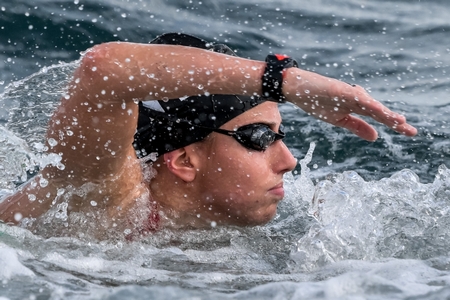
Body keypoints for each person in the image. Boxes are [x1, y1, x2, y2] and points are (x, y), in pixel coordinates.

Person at [0, 33, 417, 239]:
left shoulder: (216, 227)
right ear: (183, 160)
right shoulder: (100, 195)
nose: (289, 161)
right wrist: (281, 82)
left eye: (280, 135)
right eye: (258, 137)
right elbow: (104, 70)